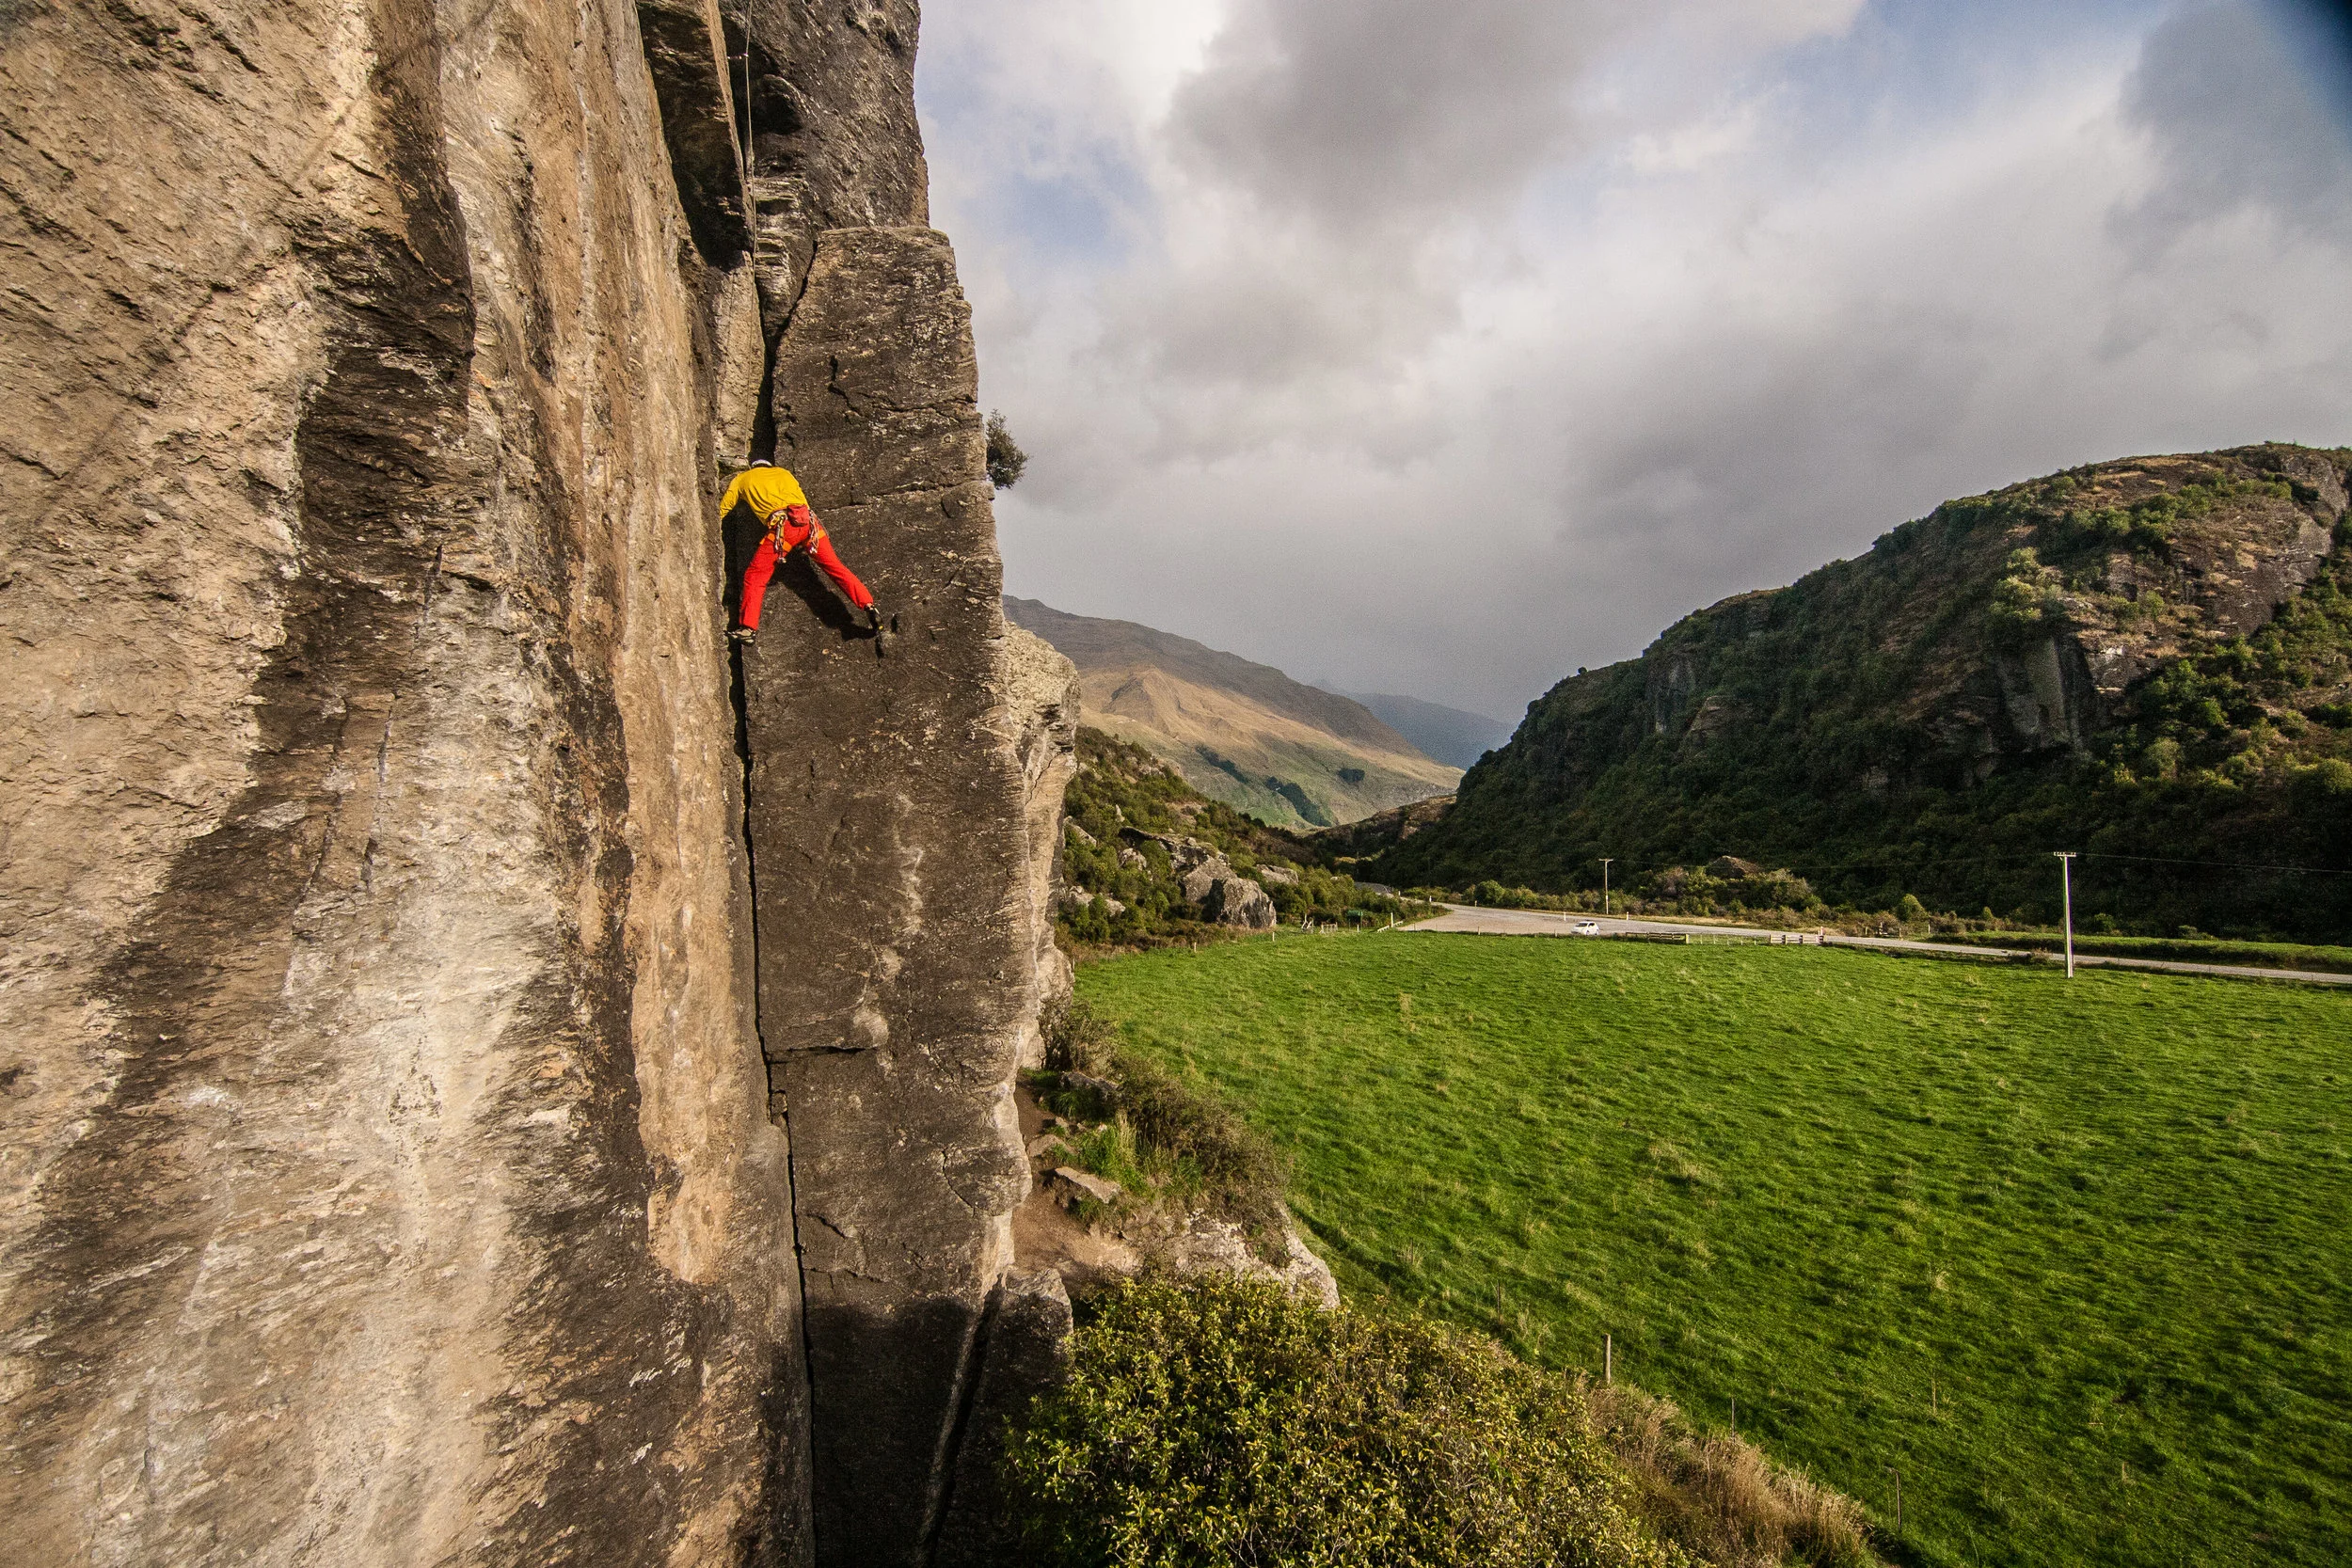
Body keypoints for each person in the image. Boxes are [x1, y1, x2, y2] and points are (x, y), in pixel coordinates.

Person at [719, 459, 883, 643]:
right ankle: (868, 605)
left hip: (784, 527)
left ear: (753, 467)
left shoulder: (743, 479)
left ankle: (748, 629)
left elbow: (723, 508)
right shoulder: (784, 473)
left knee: (755, 575)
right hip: (809, 524)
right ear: (769, 466)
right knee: (835, 567)